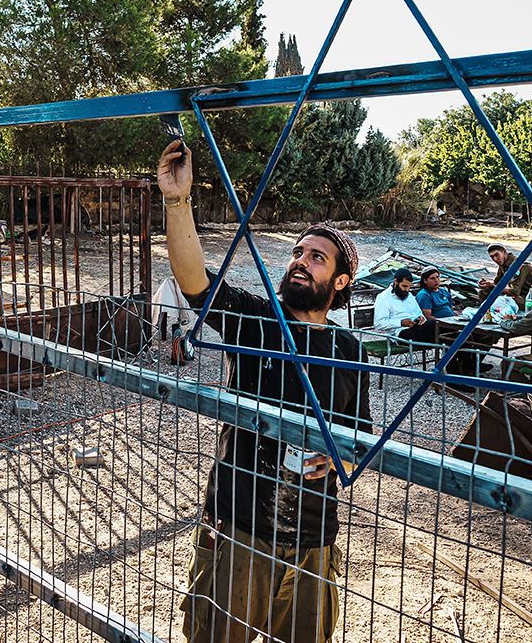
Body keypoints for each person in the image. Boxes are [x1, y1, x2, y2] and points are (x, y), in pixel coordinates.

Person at [157, 139, 372, 643]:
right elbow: (194, 280)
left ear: (340, 282)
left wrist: (339, 455)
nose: (300, 260)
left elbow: (359, 435)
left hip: (315, 541)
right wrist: (177, 199)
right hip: (239, 528)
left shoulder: (348, 348)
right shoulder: (258, 322)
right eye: (297, 252)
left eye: (316, 257)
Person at [372, 267, 435, 342]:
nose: (407, 290)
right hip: (399, 334)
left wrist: (420, 318)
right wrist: (401, 323)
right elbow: (378, 324)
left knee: (444, 330)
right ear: (396, 281)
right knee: (435, 325)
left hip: (415, 328)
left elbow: (419, 314)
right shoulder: (383, 297)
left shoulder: (409, 296)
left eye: (409, 287)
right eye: (404, 286)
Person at [477, 243, 532, 310]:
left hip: (527, 299)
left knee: (502, 300)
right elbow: (497, 282)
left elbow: (514, 292)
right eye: (492, 257)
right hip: (516, 295)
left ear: (504, 252)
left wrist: (492, 285)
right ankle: (485, 313)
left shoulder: (519, 266)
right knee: (483, 292)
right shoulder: (503, 264)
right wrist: (486, 284)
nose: (495, 259)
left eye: (497, 255)